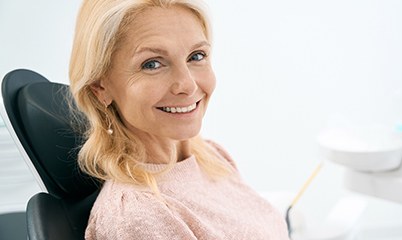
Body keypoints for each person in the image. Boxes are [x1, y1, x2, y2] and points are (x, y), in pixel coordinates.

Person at [69, 0, 289, 239]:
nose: (188, 84)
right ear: (100, 87)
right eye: (152, 64)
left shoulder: (211, 157)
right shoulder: (137, 215)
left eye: (196, 56)